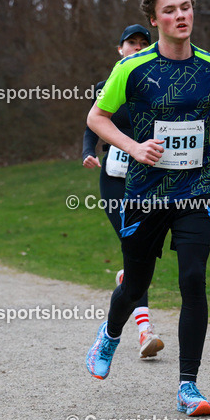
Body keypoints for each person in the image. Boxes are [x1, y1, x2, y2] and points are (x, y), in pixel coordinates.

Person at [84, 0, 210, 417]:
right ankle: (110, 334)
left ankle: (188, 387)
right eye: (170, 10)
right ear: (154, 19)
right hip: (145, 193)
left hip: (195, 190)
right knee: (136, 284)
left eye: (186, 7)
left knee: (193, 280)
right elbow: (97, 118)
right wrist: (133, 147)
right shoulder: (132, 69)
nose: (181, 16)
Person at [82, 24, 164, 358]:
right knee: (135, 248)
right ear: (120, 49)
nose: (138, 47)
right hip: (115, 179)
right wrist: (88, 151)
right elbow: (92, 124)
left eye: (144, 43)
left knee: (144, 253)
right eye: (132, 43)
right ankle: (145, 331)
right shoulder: (106, 87)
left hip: (148, 178)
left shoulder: (158, 86)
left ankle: (126, 279)